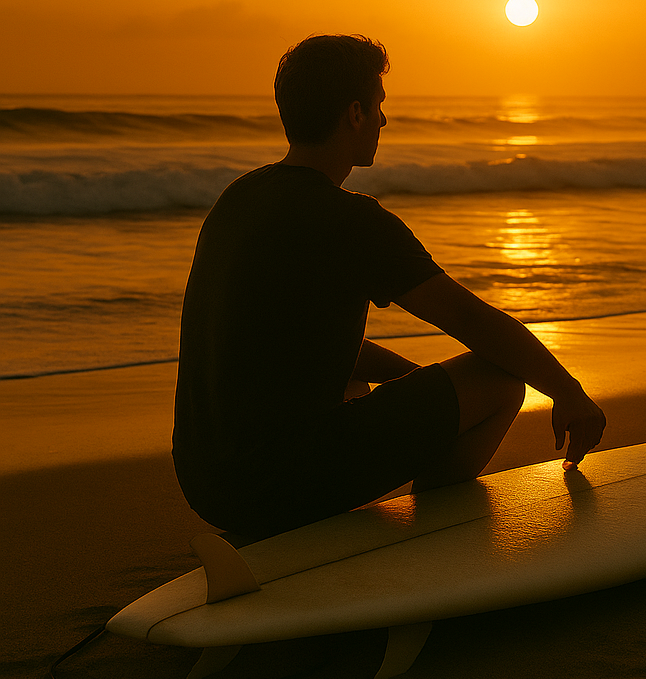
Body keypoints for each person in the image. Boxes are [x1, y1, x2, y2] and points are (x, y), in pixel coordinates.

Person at [172, 33, 605, 539]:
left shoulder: (239, 200)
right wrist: (568, 391)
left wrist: (421, 387)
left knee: (354, 384)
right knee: (500, 379)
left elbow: (292, 346)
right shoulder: (350, 220)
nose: (384, 120)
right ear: (355, 113)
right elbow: (469, 319)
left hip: (206, 480)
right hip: (275, 483)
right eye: (379, 106)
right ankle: (430, 536)